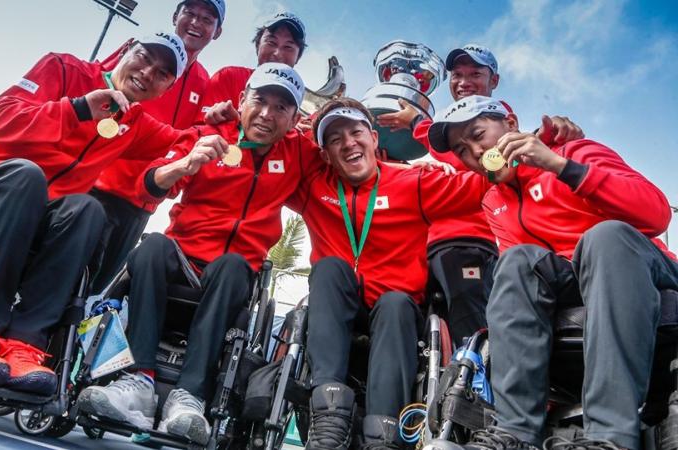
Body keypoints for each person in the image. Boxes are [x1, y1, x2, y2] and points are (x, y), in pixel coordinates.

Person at [76, 63, 320, 444]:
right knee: (152, 247)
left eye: (281, 108)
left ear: (294, 119)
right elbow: (149, 183)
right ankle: (137, 381)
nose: (267, 114)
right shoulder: (207, 134)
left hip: (233, 273)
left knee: (233, 264)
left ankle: (189, 397)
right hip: (180, 259)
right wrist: (185, 164)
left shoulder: (300, 153)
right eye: (260, 100)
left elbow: (343, 149)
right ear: (242, 101)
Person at [0, 32, 189, 396]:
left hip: (39, 212)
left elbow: (186, 139)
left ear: (166, 88)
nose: (149, 72)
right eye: (144, 57)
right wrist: (79, 108)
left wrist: (218, 122)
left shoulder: (136, 124)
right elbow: (3, 119)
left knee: (89, 209)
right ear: (125, 50)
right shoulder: (64, 68)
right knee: (27, 176)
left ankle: (25, 343)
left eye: (163, 73)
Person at [423, 95, 678, 450]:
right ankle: (514, 433)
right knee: (513, 262)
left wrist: (560, 166)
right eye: (462, 150)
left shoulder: (576, 150)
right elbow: (524, 280)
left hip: (636, 264)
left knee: (604, 237)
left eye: (479, 135)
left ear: (510, 125)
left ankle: (611, 437)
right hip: (571, 282)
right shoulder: (495, 201)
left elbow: (655, 214)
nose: (476, 153)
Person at [286, 98, 491, 450]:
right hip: (337, 305)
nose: (348, 143)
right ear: (325, 154)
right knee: (330, 268)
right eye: (335, 139)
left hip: (395, 310)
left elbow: (483, 182)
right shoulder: (312, 186)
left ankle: (383, 436)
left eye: (356, 132)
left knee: (396, 303)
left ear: (374, 139)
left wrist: (536, 142)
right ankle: (329, 419)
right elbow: (264, 154)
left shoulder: (414, 182)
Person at [377, 44, 583, 345]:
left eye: (475, 73)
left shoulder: (500, 122)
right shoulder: (449, 130)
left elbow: (490, 163)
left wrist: (418, 123)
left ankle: (479, 389)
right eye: (457, 75)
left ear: (494, 82)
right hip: (429, 245)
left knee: (473, 330)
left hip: (470, 243)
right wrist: (389, 166)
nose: (464, 81)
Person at [89, 0, 225, 293]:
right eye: (189, 13)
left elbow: (194, 134)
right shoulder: (138, 53)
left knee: (95, 286)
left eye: (207, 19)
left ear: (217, 32)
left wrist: (212, 118)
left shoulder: (204, 81)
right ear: (175, 16)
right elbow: (97, 82)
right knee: (68, 277)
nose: (195, 23)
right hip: (98, 187)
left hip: (143, 202)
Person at [199, 11, 307, 125]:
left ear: (298, 57)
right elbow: (199, 128)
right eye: (271, 42)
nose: (277, 53)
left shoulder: (294, 103)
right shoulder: (228, 77)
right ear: (258, 44)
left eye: (288, 47)